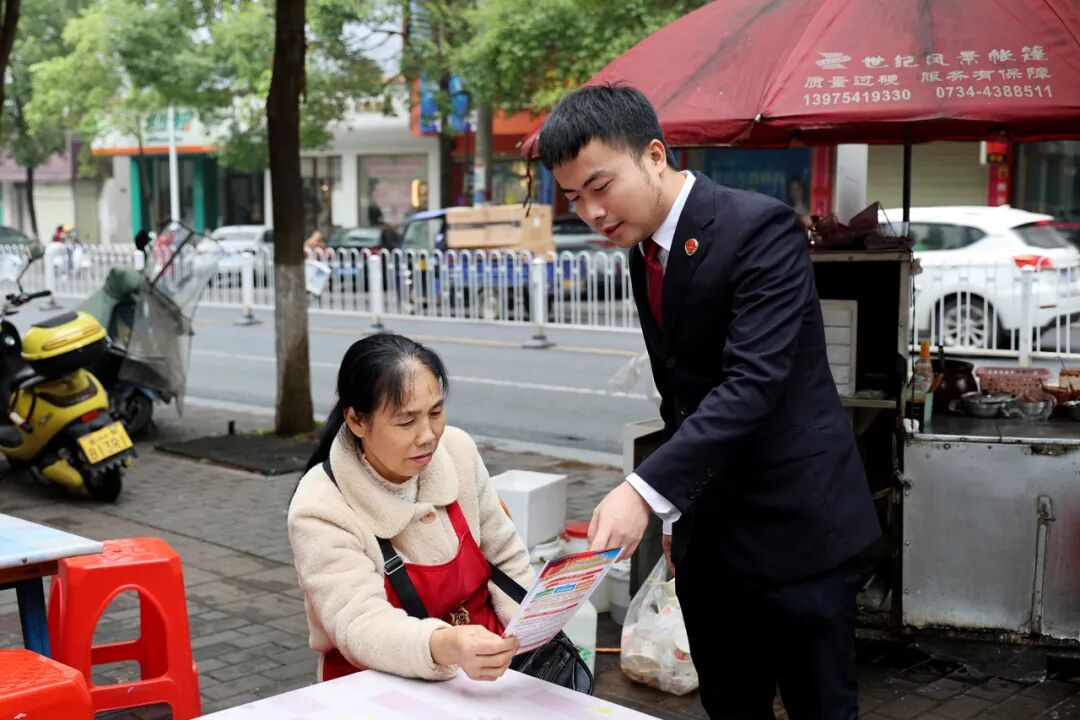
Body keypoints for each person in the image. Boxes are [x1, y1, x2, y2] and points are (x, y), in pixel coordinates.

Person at [538, 84, 879, 718]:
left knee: (821, 707)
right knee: (729, 704)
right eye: (574, 198)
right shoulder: (643, 249)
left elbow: (751, 384)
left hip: (796, 526)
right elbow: (683, 398)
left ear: (654, 155)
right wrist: (678, 514)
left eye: (600, 186)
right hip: (712, 537)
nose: (591, 212)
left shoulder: (758, 228)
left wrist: (644, 492)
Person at [287, 334, 533, 682]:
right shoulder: (320, 503)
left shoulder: (458, 451)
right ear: (357, 421)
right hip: (377, 682)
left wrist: (527, 632)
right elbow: (361, 624)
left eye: (436, 412)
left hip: (489, 668)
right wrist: (444, 645)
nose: (428, 435)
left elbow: (506, 555)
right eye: (406, 422)